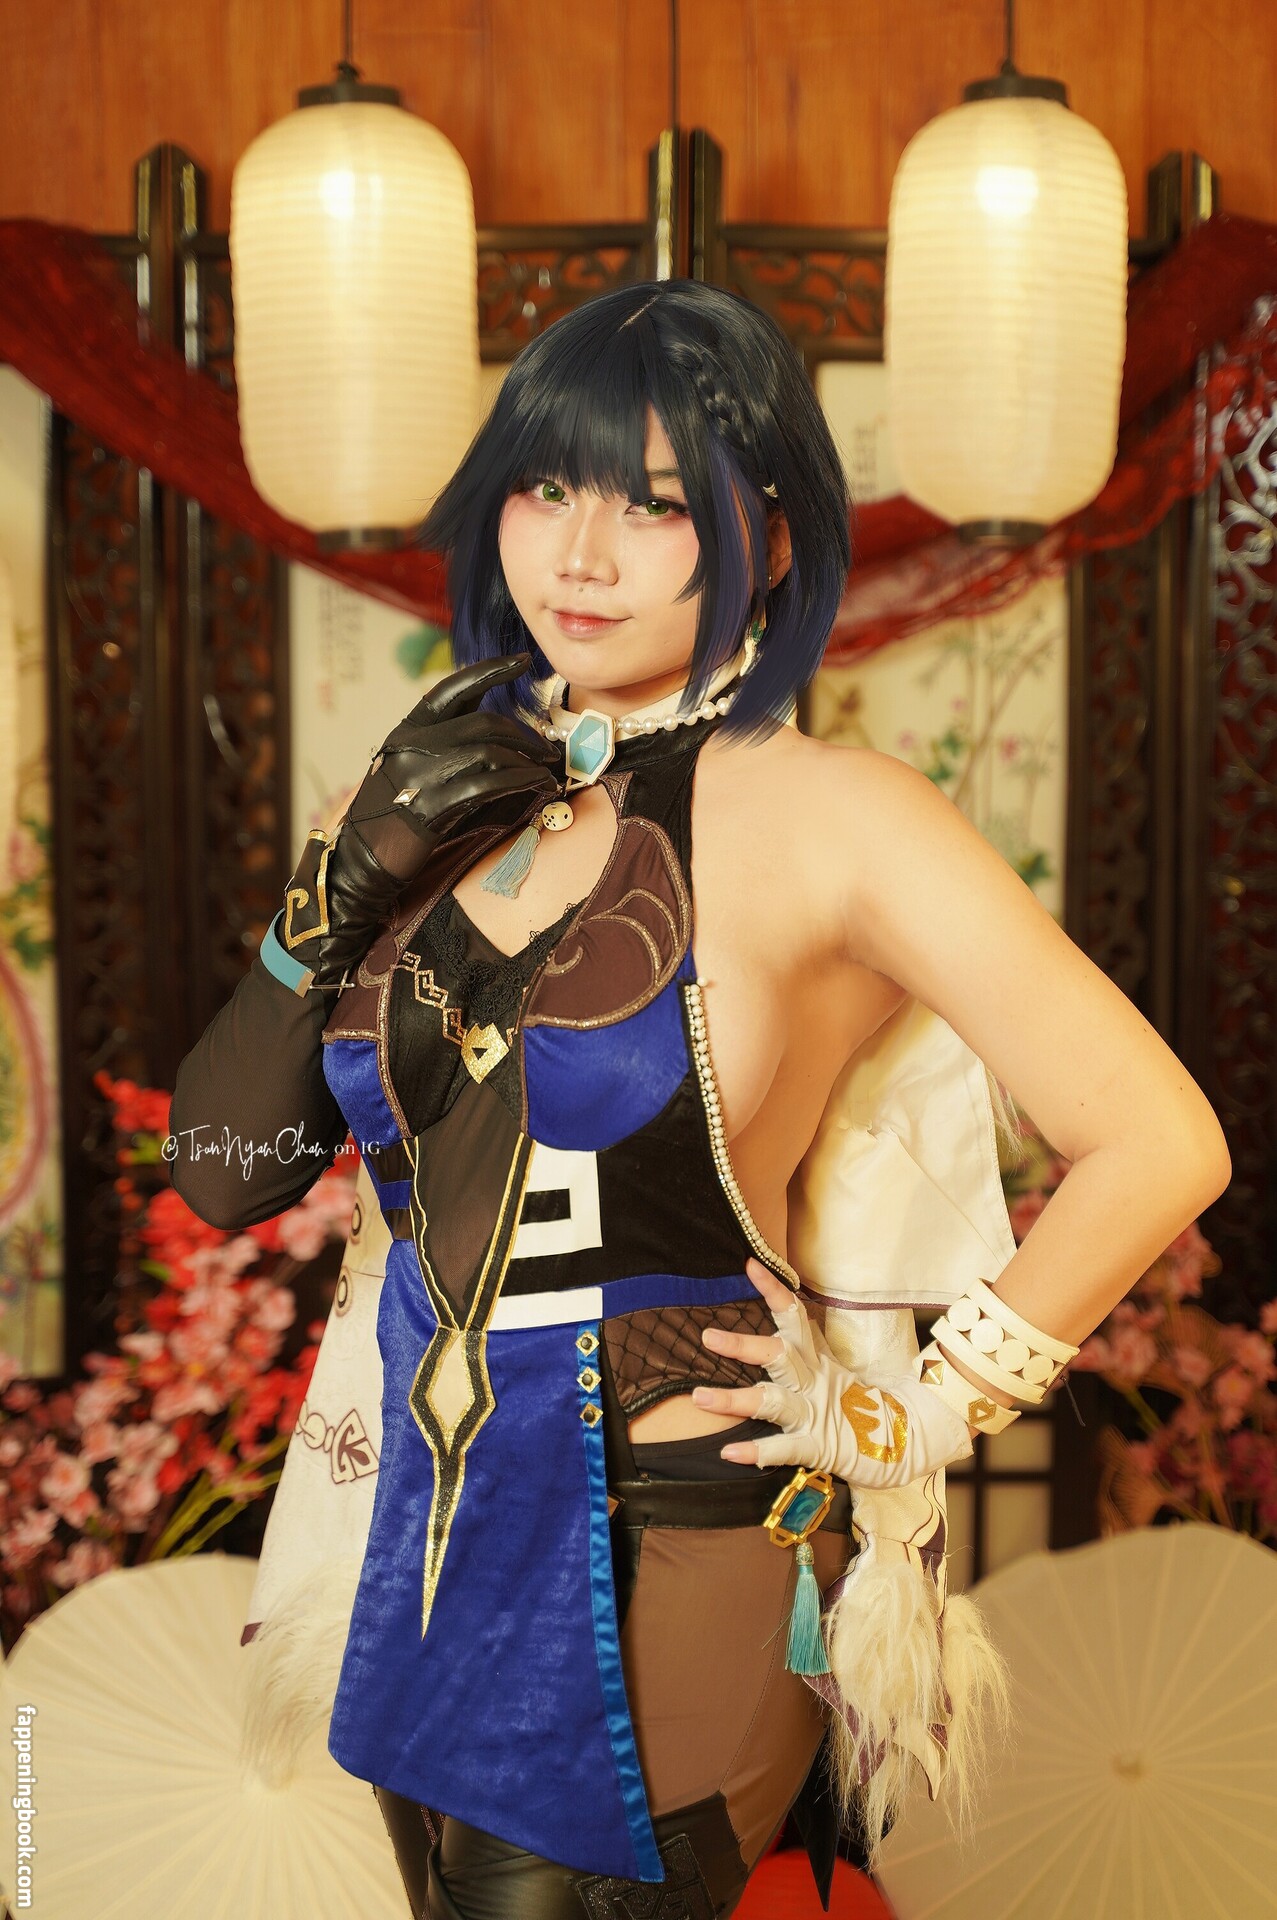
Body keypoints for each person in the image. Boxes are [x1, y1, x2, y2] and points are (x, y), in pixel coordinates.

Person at [169, 279, 1232, 1919]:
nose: (580, 555)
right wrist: (338, 890)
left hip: (663, 1535)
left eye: (654, 506)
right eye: (545, 488)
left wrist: (914, 1414)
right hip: (416, 1522)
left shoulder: (839, 819)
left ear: (772, 536)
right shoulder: (435, 792)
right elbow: (227, 1173)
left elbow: (1158, 1140)